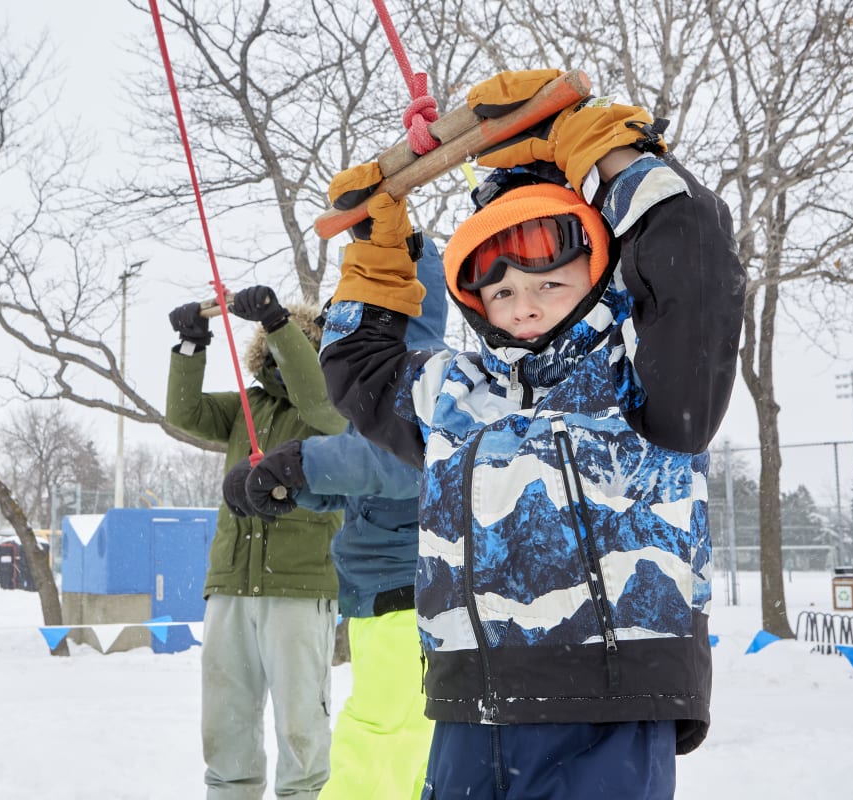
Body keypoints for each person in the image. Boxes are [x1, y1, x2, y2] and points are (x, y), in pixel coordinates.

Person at [318, 68, 746, 799]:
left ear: (596, 273)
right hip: (467, 702)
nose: (526, 305)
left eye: (552, 283)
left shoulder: (643, 379)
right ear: (475, 297)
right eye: (504, 289)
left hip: (608, 699)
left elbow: (691, 257)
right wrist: (377, 251)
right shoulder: (455, 395)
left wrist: (603, 150)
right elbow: (359, 368)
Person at [227, 239, 449, 800]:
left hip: (412, 589)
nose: (340, 324)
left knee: (381, 734)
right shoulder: (378, 382)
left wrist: (302, 464)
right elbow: (367, 487)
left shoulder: (424, 373)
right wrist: (286, 486)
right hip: (382, 589)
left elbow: (403, 465)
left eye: (358, 302)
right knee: (397, 736)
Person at [165, 286, 348, 800]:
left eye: (288, 348)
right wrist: (191, 346)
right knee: (224, 724)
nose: (279, 361)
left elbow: (321, 401)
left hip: (301, 586)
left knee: (300, 726)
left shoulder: (331, 410)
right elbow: (184, 413)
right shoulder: (248, 407)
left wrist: (278, 322)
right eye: (270, 350)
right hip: (229, 586)